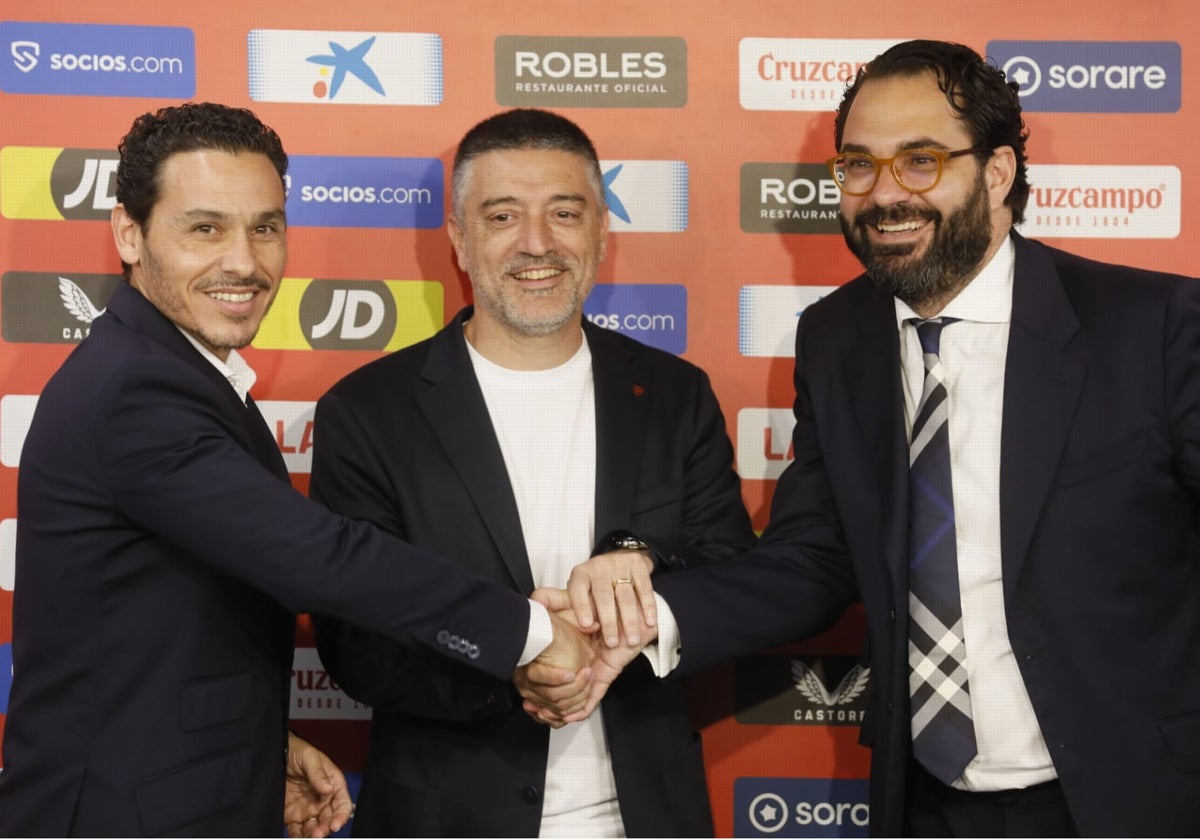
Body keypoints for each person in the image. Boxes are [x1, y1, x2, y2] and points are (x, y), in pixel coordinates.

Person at [533, 40, 1200, 837]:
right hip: (923, 802)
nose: (885, 195)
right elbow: (812, 559)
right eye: (858, 165)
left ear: (996, 173)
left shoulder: (1153, 328)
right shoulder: (835, 339)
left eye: (920, 161)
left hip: (1136, 798)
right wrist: (647, 619)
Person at [0, 102, 596, 837]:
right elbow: (322, 557)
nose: (244, 262)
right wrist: (530, 632)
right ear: (130, 232)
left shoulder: (186, 374)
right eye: (204, 228)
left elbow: (161, 630)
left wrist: (257, 749)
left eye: (266, 228)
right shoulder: (135, 391)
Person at [309, 107, 754, 837]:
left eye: (565, 212)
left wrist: (641, 570)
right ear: (458, 236)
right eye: (503, 216)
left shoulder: (676, 394)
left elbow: (732, 576)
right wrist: (518, 657)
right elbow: (355, 645)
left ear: (603, 230)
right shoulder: (367, 412)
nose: (537, 243)